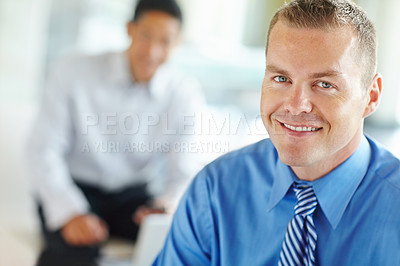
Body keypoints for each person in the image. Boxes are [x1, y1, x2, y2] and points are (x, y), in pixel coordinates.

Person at [153, 0, 400, 265]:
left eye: (325, 84)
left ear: (371, 96)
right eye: (281, 79)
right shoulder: (214, 192)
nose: (296, 105)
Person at [27, 0, 204, 265]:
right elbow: (43, 150)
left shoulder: (183, 93)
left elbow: (184, 169)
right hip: (73, 188)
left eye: (165, 41)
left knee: (182, 246)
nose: (153, 51)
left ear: (177, 42)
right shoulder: (73, 70)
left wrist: (165, 206)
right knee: (73, 254)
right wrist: (71, 213)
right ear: (129, 29)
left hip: (132, 198)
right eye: (146, 36)